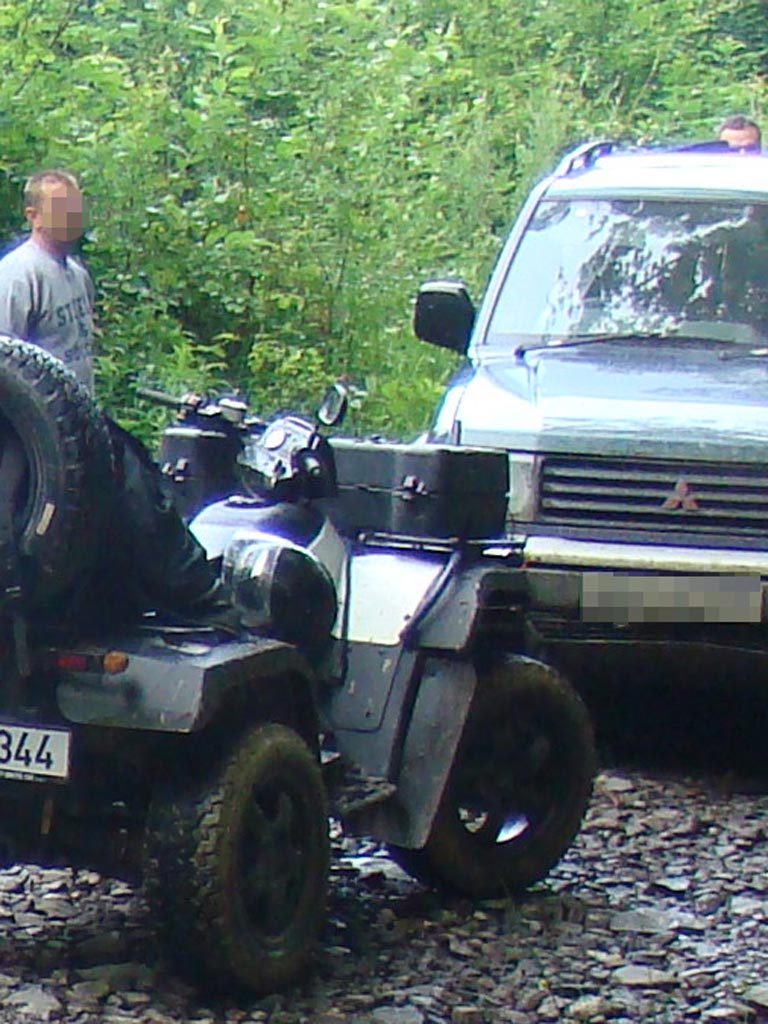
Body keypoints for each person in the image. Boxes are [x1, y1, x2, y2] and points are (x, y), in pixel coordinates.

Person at [0, 169, 94, 392]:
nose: (71, 215)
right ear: (34, 216)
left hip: (78, 412)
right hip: (37, 418)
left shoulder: (77, 273)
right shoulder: (18, 274)